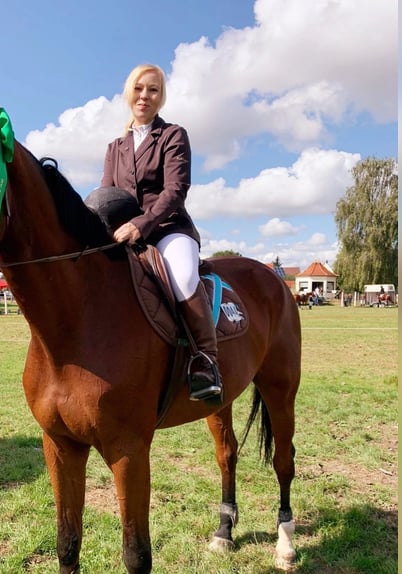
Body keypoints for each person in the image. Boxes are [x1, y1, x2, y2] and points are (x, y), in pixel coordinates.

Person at [100, 63, 221, 402]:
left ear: (160, 97)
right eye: (139, 88)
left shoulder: (172, 135)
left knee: (182, 277)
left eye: (153, 90)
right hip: (124, 233)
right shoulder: (115, 147)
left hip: (168, 229)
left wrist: (142, 224)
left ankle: (205, 361)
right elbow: (107, 194)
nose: (145, 96)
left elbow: (175, 190)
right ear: (129, 93)